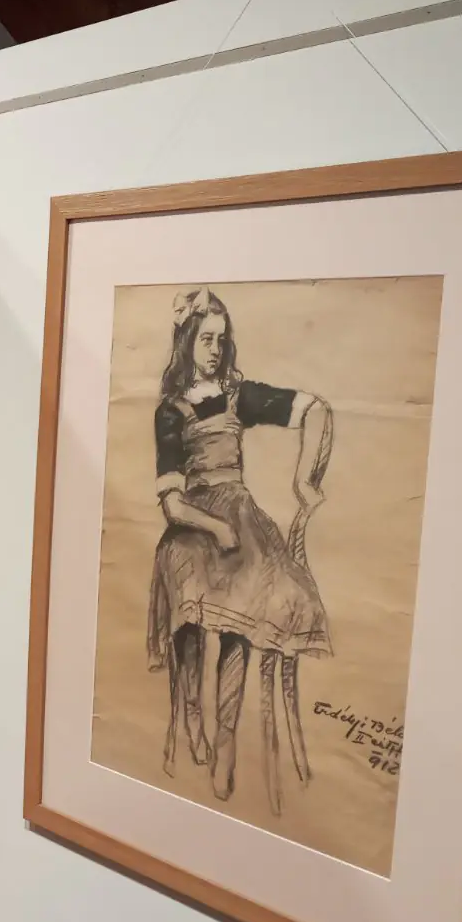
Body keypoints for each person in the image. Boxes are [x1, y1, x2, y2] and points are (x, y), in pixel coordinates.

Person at [147, 287, 331, 806]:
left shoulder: (236, 395)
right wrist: (215, 528)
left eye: (221, 340)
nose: (215, 349)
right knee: (190, 613)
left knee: (242, 621)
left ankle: (225, 739)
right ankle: (191, 712)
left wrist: (305, 480)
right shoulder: (171, 411)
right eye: (206, 339)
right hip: (193, 525)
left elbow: (314, 408)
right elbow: (172, 505)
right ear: (186, 341)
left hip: (241, 517)